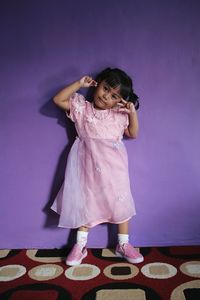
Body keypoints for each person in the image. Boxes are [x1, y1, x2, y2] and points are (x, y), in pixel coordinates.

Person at [51, 67, 144, 266]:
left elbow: (133, 133)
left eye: (113, 96)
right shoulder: (82, 108)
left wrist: (132, 113)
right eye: (105, 88)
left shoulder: (119, 114)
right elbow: (58, 100)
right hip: (87, 167)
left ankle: (123, 244)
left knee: (121, 202)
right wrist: (79, 84)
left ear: (119, 101)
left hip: (115, 169)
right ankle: (80, 245)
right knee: (86, 202)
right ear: (97, 83)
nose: (106, 96)